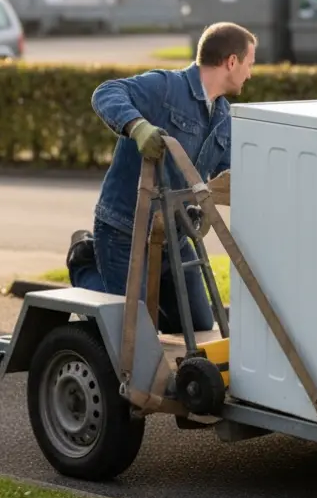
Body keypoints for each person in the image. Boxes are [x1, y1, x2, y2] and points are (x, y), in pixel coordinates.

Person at [66, 22, 256, 334]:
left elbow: (231, 173)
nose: (250, 73)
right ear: (231, 62)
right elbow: (106, 92)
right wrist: (137, 126)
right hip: (124, 231)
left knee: (197, 323)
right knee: (127, 331)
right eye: (249, 63)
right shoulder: (166, 86)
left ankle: (144, 313)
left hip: (173, 236)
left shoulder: (223, 118)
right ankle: (84, 263)